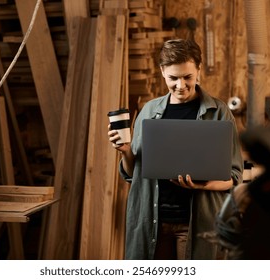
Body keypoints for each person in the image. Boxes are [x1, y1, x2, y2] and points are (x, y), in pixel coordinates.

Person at [108, 38, 244, 260]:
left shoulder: (219, 112)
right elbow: (133, 174)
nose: (181, 85)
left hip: (195, 224)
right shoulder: (149, 111)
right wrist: (125, 150)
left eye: (187, 77)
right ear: (162, 71)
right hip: (152, 221)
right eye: (173, 78)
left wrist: (202, 185)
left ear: (198, 70)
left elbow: (234, 176)